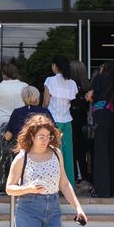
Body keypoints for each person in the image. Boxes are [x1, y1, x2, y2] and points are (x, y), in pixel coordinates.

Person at [87, 61, 114, 198]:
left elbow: (89, 96)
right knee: (109, 152)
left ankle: (100, 189)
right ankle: (109, 189)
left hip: (100, 115)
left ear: (103, 68)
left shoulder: (99, 77)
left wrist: (90, 98)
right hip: (110, 115)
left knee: (100, 153)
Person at [42, 55, 79, 185]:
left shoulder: (50, 81)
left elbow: (46, 102)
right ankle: (69, 185)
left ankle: (55, 184)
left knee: (54, 153)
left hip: (53, 121)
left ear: (55, 66)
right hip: (67, 120)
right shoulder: (72, 83)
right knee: (68, 153)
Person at [0, 61, 27, 193]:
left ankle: (3, 186)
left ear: (4, 74)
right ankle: (19, 183)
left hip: (2, 123)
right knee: (21, 154)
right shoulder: (24, 86)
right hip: (20, 122)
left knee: (3, 155)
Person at [68, 60, 92, 187]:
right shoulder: (87, 86)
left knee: (72, 148)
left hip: (71, 118)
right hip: (83, 119)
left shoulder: (69, 85)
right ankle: (84, 176)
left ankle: (74, 175)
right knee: (82, 150)